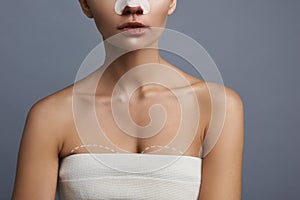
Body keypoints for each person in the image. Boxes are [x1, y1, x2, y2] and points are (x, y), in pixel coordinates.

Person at [11, 0, 244, 199]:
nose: (132, 5)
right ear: (85, 4)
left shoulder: (217, 106)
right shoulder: (50, 116)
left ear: (172, 1)